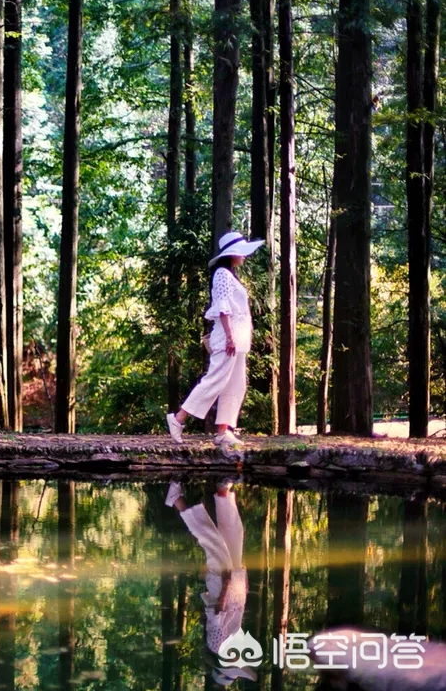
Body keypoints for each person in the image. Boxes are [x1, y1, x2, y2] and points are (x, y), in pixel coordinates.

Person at [165, 231, 264, 460]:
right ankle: (178, 418)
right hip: (228, 340)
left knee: (236, 385)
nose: (244, 257)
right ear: (232, 253)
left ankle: (223, 431)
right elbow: (222, 307)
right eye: (242, 253)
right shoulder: (222, 274)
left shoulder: (231, 275)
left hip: (238, 341)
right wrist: (230, 337)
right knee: (215, 380)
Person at [166, 480, 256, 686]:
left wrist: (225, 585)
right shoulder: (234, 645)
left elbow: (217, 613)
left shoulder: (217, 647)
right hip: (236, 585)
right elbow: (237, 612)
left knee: (211, 539)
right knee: (234, 534)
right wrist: (244, 584)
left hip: (222, 583)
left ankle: (177, 501)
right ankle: (223, 493)